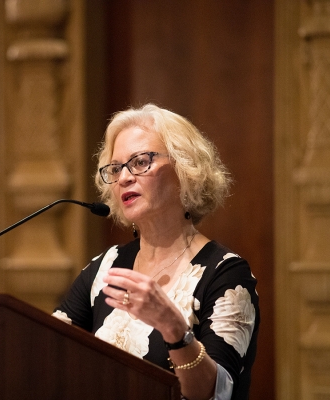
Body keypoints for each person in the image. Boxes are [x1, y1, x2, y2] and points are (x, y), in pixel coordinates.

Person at [53, 104, 259, 400]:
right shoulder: (105, 267)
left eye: (140, 162)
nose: (124, 178)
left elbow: (217, 392)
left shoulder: (226, 273)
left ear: (184, 168)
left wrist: (174, 328)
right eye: (116, 168)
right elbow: (51, 347)